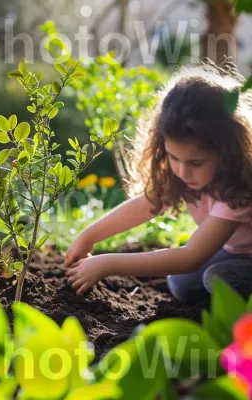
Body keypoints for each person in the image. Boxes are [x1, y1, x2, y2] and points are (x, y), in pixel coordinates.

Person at [65, 59, 252, 303]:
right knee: (180, 283)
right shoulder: (185, 174)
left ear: (228, 152)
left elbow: (191, 257)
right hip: (234, 254)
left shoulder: (240, 188)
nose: (183, 172)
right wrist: (89, 236)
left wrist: (106, 263)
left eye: (196, 163)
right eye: (173, 158)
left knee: (217, 279)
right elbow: (148, 204)